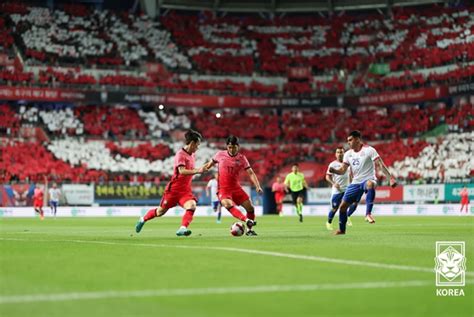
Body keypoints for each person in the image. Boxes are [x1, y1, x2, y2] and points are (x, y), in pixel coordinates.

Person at [135, 129, 207, 236]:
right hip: (173, 190)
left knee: (192, 206)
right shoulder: (180, 154)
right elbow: (181, 171)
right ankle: (143, 219)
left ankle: (182, 228)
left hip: (185, 191)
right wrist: (197, 170)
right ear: (192, 143)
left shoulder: (192, 155)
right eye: (197, 145)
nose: (197, 147)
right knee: (160, 212)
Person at [329, 130, 397, 235]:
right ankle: (342, 230)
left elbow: (380, 164)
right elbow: (343, 170)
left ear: (357, 139)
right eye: (347, 140)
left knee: (370, 184)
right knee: (342, 208)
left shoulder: (369, 150)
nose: (348, 142)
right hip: (355, 183)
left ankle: (368, 214)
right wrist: (335, 171)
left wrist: (390, 178)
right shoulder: (348, 154)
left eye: (350, 140)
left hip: (368, 179)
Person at [204, 136, 262, 236]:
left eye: (234, 147)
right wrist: (199, 169)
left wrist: (257, 186)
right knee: (227, 204)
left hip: (236, 188)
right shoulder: (219, 155)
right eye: (229, 147)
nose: (231, 149)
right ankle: (246, 219)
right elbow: (208, 165)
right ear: (227, 146)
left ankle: (249, 230)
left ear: (238, 146)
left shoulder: (242, 158)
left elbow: (251, 173)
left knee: (250, 208)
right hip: (223, 189)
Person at [325, 147, 359, 230]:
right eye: (338, 152)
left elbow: (351, 175)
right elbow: (327, 177)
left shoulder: (348, 164)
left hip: (347, 189)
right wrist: (333, 183)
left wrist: (352, 184)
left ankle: (347, 217)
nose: (340, 154)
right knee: (335, 208)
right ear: (336, 154)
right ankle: (329, 222)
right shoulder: (332, 164)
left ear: (344, 154)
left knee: (355, 203)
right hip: (337, 191)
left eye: (341, 152)